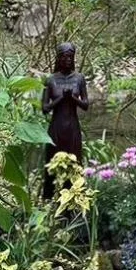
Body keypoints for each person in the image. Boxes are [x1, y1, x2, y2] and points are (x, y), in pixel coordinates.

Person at [40, 42, 88, 198]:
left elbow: (86, 105)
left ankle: (72, 203)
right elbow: (45, 108)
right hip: (56, 129)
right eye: (65, 57)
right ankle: (48, 202)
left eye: (71, 57)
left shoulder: (79, 78)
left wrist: (73, 98)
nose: (68, 60)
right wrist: (61, 98)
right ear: (59, 59)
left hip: (72, 129)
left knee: (74, 166)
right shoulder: (51, 80)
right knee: (51, 167)